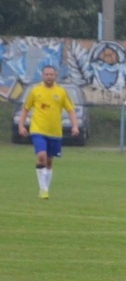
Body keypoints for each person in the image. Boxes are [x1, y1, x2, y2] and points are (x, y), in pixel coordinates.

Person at [17, 65, 80, 199]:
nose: (49, 77)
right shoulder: (35, 91)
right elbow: (25, 109)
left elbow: (70, 110)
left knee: (49, 161)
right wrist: (21, 126)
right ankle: (43, 189)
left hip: (55, 132)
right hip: (38, 129)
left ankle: (45, 188)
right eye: (46, 74)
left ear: (55, 75)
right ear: (42, 75)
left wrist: (75, 126)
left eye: (51, 74)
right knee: (41, 156)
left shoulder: (61, 92)